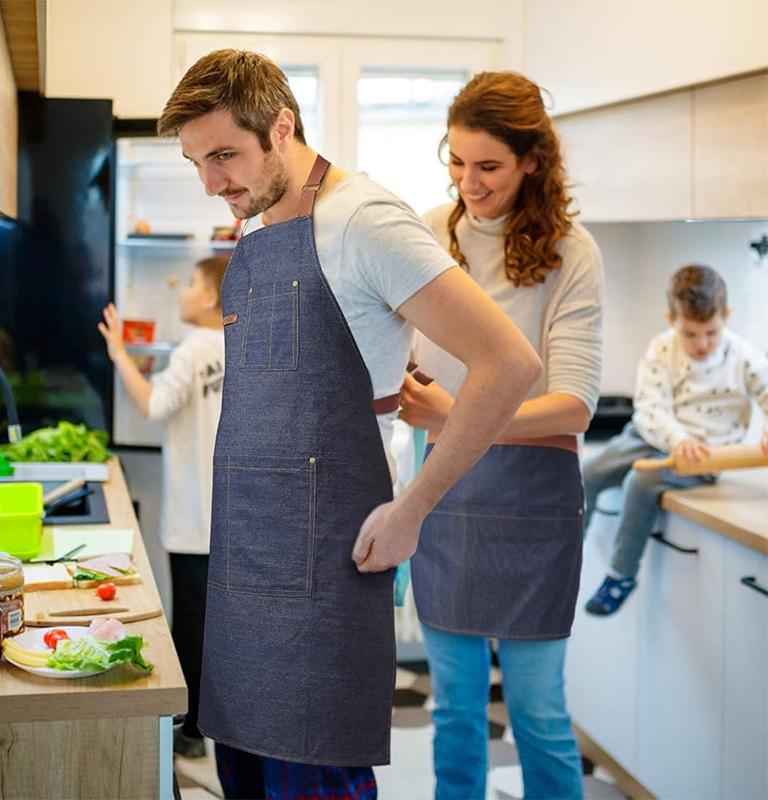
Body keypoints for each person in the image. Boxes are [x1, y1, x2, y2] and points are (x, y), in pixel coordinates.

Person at [156, 49, 542, 800]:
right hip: (246, 567)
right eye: (196, 163)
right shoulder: (260, 221)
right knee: (247, 777)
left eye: (226, 155)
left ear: (282, 127)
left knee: (317, 775)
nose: (213, 184)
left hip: (327, 563)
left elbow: (508, 363)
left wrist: (415, 507)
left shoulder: (364, 219)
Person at [401, 71, 603, 800]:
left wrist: (455, 415)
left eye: (487, 166)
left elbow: (573, 405)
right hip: (444, 490)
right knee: (454, 712)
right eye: (455, 162)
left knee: (539, 714)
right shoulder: (430, 231)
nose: (467, 183)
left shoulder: (572, 252)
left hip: (534, 501)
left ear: (532, 162)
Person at [97, 256, 228, 758]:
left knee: (192, 619)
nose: (184, 291)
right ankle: (218, 724)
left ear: (212, 296)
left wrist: (118, 353)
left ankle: (191, 731)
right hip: (233, 515)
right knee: (222, 624)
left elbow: (153, 406)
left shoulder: (194, 348)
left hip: (194, 517)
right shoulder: (238, 343)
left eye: (192, 283)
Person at [583, 264, 768, 615]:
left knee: (642, 480)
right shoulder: (661, 349)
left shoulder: (742, 355)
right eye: (691, 333)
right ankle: (568, 553)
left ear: (726, 316)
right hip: (651, 436)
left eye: (711, 333)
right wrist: (677, 438)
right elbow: (651, 407)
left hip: (705, 454)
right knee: (588, 471)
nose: (702, 344)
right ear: (671, 319)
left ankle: (621, 574)